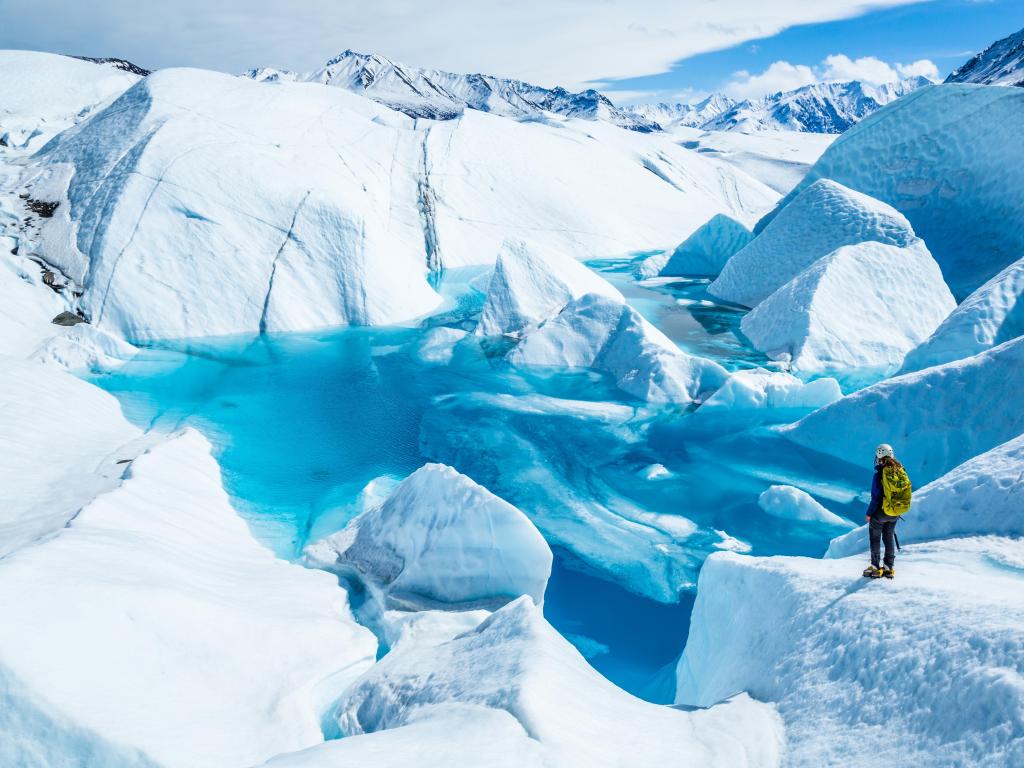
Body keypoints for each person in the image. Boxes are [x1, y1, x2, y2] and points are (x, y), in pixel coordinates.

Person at [862, 444, 910, 579]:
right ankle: (889, 567)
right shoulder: (900, 470)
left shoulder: (880, 474)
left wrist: (869, 513)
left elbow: (876, 497)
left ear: (879, 456)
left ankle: (875, 567)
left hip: (882, 512)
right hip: (895, 511)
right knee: (888, 538)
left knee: (875, 537)